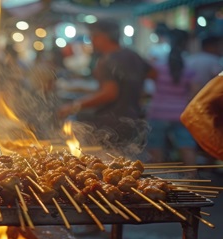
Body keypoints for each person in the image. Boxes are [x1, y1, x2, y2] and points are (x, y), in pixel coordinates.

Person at [58, 19, 156, 155]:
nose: (91, 40)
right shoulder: (133, 55)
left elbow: (110, 93)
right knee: (127, 162)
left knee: (110, 165)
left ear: (103, 37)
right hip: (134, 119)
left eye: (92, 36)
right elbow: (153, 74)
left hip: (111, 124)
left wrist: (74, 105)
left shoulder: (106, 60)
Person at [145, 29, 196, 165]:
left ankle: (158, 181)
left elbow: (145, 80)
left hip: (158, 112)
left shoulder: (158, 67)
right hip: (181, 113)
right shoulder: (189, 67)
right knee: (187, 147)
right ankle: (192, 178)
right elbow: (194, 93)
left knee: (156, 148)